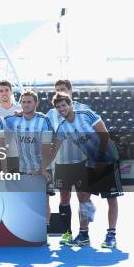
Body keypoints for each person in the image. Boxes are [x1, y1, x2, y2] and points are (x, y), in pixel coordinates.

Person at [47, 93, 123, 248]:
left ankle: (111, 235)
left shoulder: (86, 115)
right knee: (83, 196)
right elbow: (54, 149)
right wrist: (43, 167)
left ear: (70, 105)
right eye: (58, 107)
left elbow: (104, 135)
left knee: (111, 198)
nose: (62, 109)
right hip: (91, 162)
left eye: (64, 105)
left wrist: (100, 159)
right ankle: (83, 235)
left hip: (107, 158)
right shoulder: (62, 127)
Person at [45, 79, 92, 245]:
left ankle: (84, 234)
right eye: (57, 90)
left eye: (63, 89)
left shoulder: (84, 109)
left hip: (83, 162)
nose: (60, 92)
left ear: (71, 91)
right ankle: (67, 233)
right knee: (64, 198)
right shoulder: (51, 113)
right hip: (62, 163)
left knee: (83, 198)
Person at [4, 91, 54, 233]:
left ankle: (45, 231)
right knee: (27, 200)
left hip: (43, 168)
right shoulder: (14, 120)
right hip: (24, 168)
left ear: (36, 103)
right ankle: (30, 231)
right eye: (24, 102)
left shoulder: (44, 120)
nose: (26, 105)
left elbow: (47, 146)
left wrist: (42, 168)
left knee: (44, 201)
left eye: (29, 102)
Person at [0, 80, 21, 173]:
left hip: (16, 154)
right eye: (1, 91)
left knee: (17, 185)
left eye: (6, 90)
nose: (4, 93)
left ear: (11, 92)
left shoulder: (20, 109)